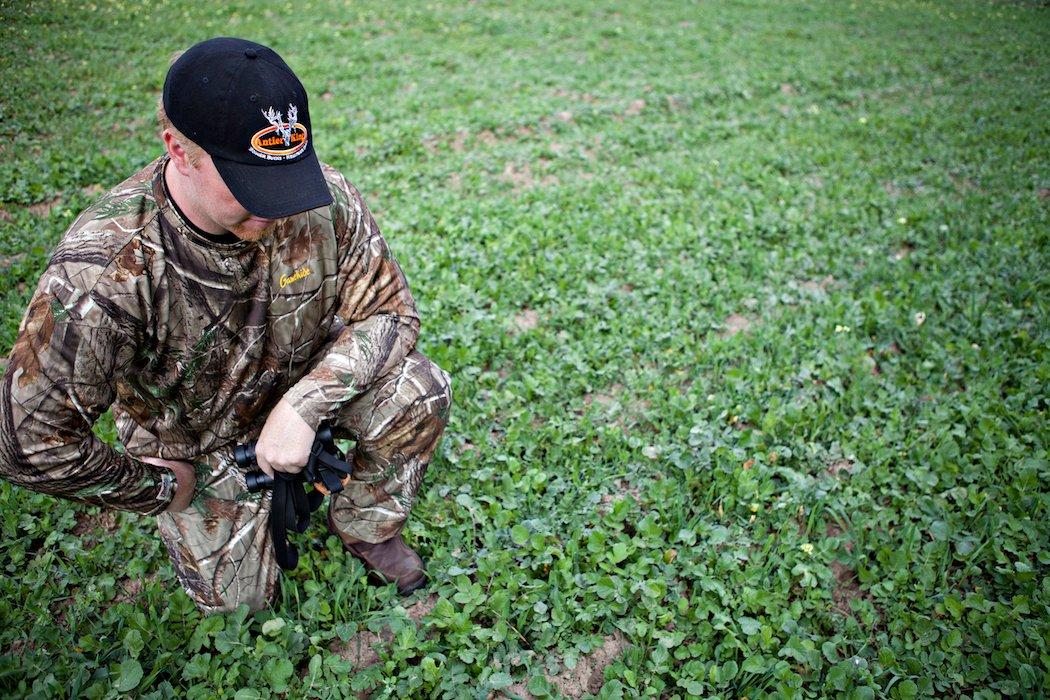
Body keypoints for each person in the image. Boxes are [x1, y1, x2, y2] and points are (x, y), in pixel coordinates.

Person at [0, 37, 452, 614]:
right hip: (199, 442)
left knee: (419, 390)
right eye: (248, 185)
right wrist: (161, 487)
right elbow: (26, 442)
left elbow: (390, 311)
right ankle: (231, 498)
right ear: (178, 149)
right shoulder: (105, 270)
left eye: (286, 176)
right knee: (239, 608)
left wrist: (304, 405)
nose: (275, 207)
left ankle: (366, 524)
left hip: (296, 389)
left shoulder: (322, 199)